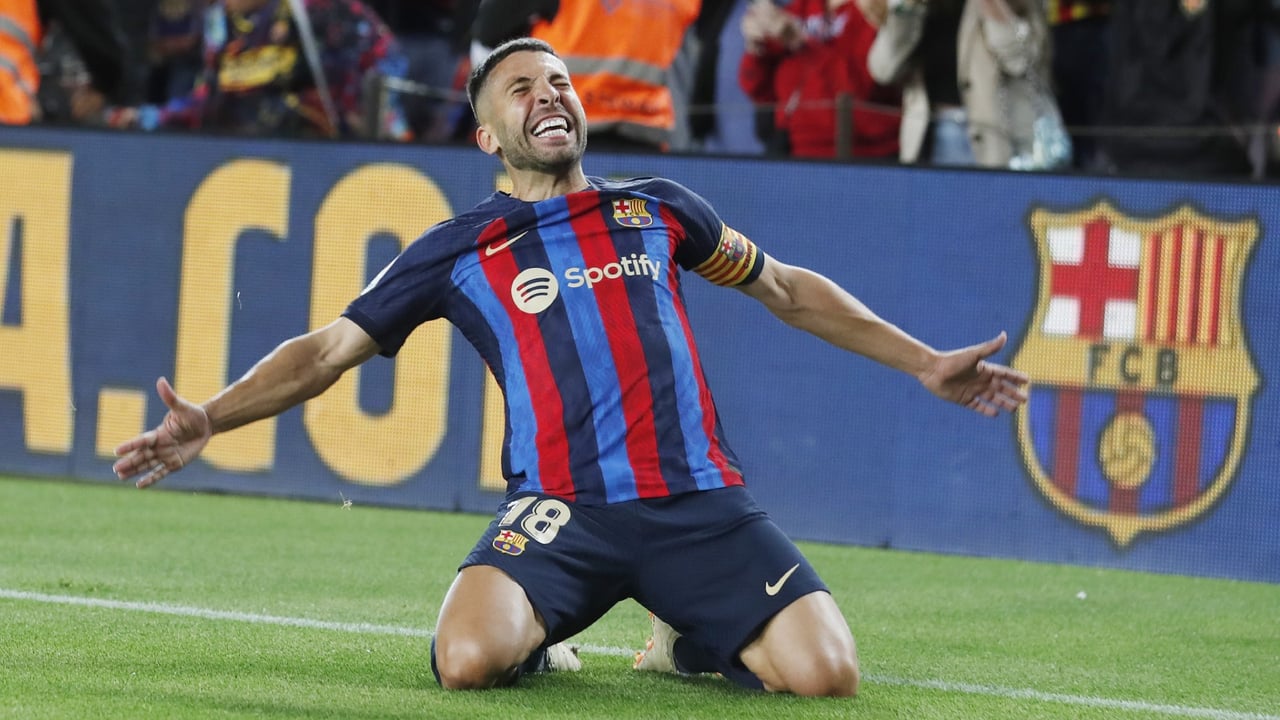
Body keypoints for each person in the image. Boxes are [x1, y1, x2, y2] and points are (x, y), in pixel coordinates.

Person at [113, 37, 1030, 696]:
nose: (548, 95)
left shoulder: (659, 209)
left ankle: (683, 641)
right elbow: (325, 351)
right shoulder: (458, 247)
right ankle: (543, 638)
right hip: (562, 511)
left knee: (828, 677)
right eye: (520, 89)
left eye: (558, 82)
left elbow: (787, 289)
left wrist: (923, 362)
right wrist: (212, 417)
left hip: (698, 503)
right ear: (487, 138)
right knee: (467, 661)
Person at [105, 0, 411, 140]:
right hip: (249, 152)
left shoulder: (316, 8)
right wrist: (148, 118)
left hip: (323, 149)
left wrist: (372, 116)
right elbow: (208, 98)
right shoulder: (219, 23)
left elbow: (386, 56)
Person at [867, 0, 1069, 169]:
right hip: (929, 137)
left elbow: (1021, 60)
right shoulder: (919, 5)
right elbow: (883, 70)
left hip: (999, 139)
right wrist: (906, 9)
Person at [738, 0, 901, 159]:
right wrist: (756, 50)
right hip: (794, 153)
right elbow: (760, 94)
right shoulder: (798, 9)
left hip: (866, 157)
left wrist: (799, 42)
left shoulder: (877, 9)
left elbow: (861, 88)